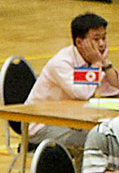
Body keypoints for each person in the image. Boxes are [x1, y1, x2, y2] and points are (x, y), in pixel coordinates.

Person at [30, 12, 110, 157]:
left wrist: (106, 64)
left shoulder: (89, 61)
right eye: (96, 39)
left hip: (72, 122)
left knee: (110, 137)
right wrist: (97, 63)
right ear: (80, 42)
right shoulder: (61, 63)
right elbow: (83, 94)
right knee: (92, 143)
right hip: (43, 125)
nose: (102, 44)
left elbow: (112, 89)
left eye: (104, 38)